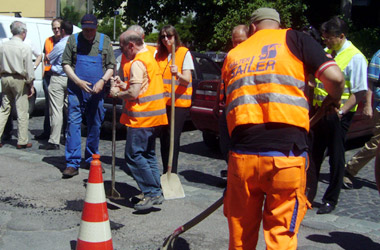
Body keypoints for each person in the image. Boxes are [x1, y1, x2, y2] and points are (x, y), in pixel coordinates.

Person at [222, 8, 344, 249]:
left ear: (252, 27)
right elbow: (336, 78)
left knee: (240, 239)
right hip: (286, 157)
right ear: (277, 25)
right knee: (281, 238)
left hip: (242, 158)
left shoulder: (235, 54)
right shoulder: (295, 39)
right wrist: (334, 98)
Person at [310, 16, 368, 214]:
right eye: (324, 37)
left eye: (328, 38)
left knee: (336, 157)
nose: (325, 41)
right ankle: (308, 193)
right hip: (319, 112)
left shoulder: (355, 57)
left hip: (338, 115)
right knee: (313, 154)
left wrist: (341, 112)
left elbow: (359, 91)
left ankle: (330, 199)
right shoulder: (326, 53)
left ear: (341, 36)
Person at [110, 30, 168, 211]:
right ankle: (155, 191)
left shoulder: (137, 63)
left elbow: (134, 93)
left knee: (134, 155)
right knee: (148, 155)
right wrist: (124, 85)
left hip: (141, 118)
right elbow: (143, 87)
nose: (122, 52)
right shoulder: (150, 58)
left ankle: (151, 193)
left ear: (131, 45)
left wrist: (117, 92)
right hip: (153, 116)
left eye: (122, 47)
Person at [61, 14, 115, 178]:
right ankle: (72, 163)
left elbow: (111, 66)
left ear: (96, 28)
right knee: (73, 125)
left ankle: (92, 159)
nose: (88, 33)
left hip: (97, 92)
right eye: (85, 29)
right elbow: (66, 64)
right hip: (76, 91)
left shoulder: (104, 41)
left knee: (95, 125)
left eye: (91, 30)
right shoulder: (73, 40)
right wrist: (78, 81)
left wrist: (102, 81)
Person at [155, 25, 194, 174]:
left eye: (169, 36)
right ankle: (166, 170)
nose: (166, 39)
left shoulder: (184, 53)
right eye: (163, 36)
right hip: (163, 103)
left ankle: (172, 171)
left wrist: (177, 73)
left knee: (173, 137)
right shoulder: (160, 55)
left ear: (175, 36)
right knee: (164, 138)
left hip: (178, 103)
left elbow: (186, 80)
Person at [343, 49, 380, 189]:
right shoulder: (379, 56)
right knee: (377, 143)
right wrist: (368, 106)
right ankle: (350, 169)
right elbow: (370, 84)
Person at [1, 24, 43, 142]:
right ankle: (22, 140)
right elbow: (29, 69)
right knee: (22, 111)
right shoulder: (24, 47)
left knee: (4, 109)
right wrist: (31, 85)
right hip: (19, 79)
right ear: (23, 33)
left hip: (5, 78)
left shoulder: (3, 46)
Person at [219, 24, 249, 175]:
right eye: (234, 41)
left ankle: (240, 175)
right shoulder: (230, 56)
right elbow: (224, 80)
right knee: (225, 145)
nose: (237, 45)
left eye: (241, 41)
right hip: (227, 107)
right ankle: (233, 172)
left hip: (244, 109)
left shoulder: (251, 59)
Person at [39, 20, 73, 150]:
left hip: (58, 78)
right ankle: (70, 137)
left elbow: (49, 58)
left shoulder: (60, 44)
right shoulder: (76, 43)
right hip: (72, 79)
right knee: (70, 109)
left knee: (56, 110)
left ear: (63, 30)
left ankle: (54, 140)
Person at [35, 18, 62, 140]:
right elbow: (43, 56)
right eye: (54, 28)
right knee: (48, 105)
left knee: (62, 107)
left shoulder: (66, 41)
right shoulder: (48, 41)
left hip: (60, 76)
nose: (56, 30)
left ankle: (63, 133)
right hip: (48, 76)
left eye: (58, 28)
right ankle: (47, 131)